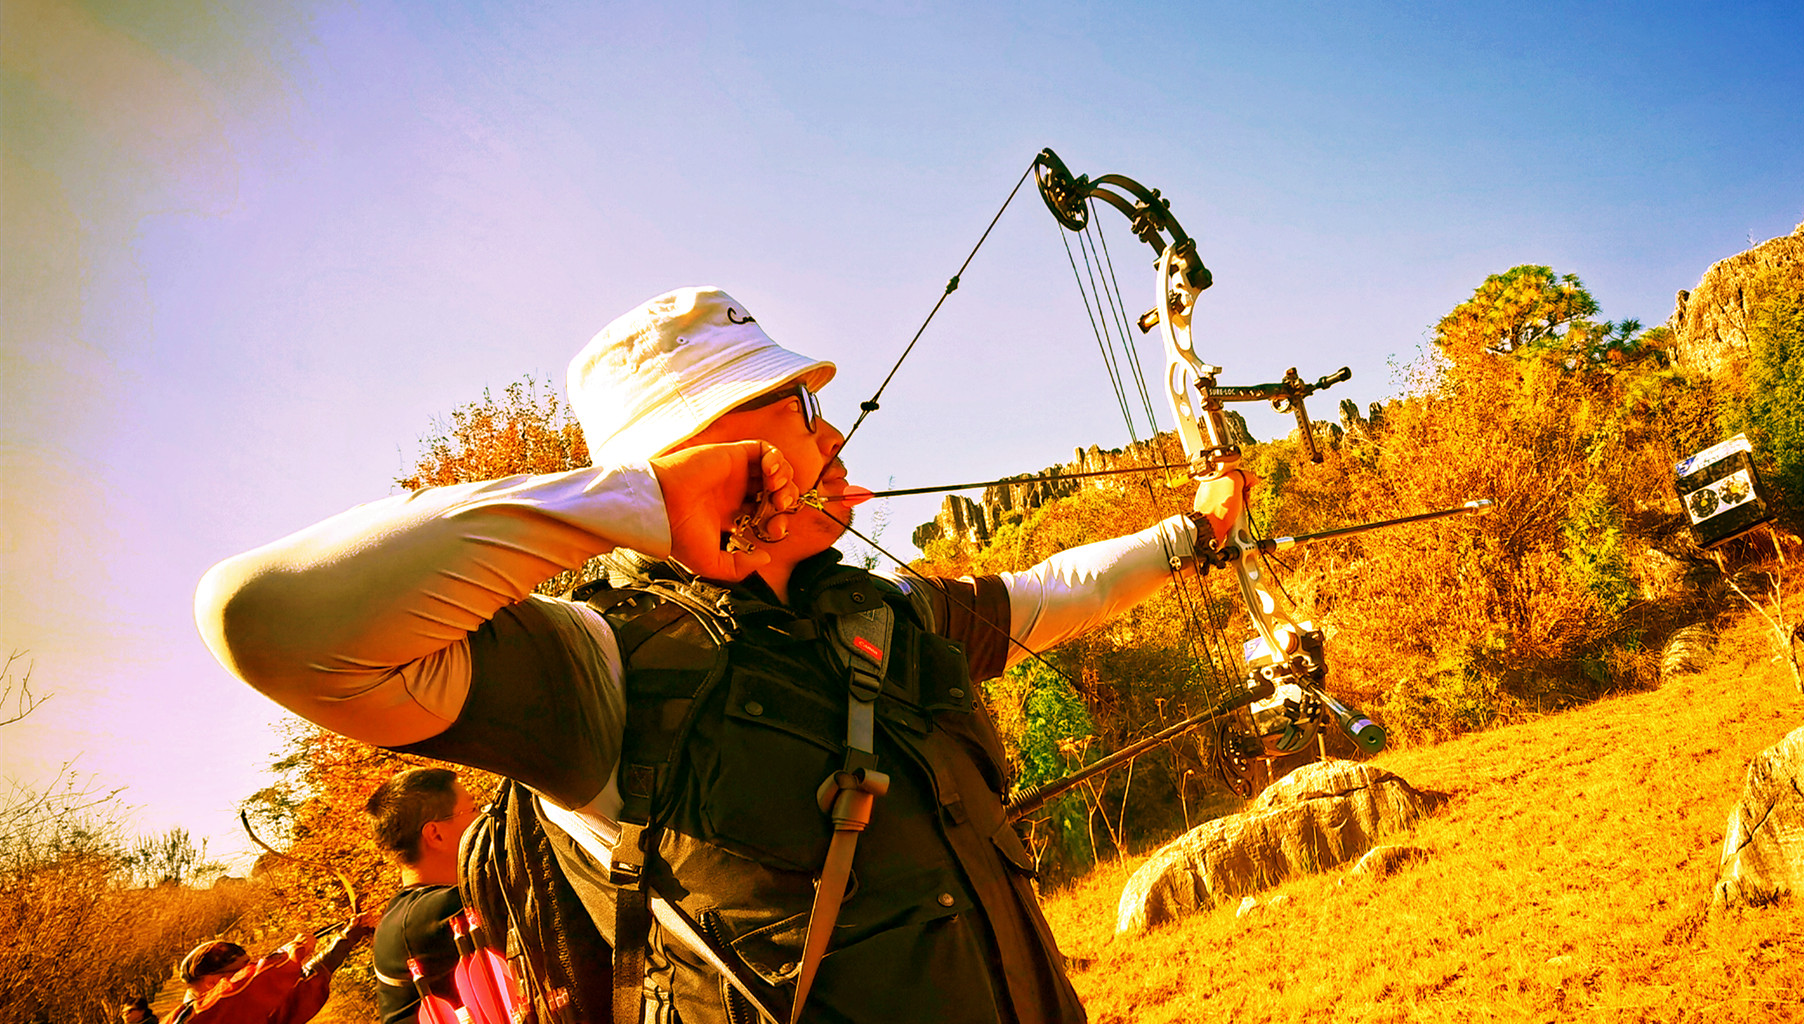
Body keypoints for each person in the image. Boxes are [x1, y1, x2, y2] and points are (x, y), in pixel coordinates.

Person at [196, 285, 1249, 1024]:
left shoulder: (885, 616)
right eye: (798, 406)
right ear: (711, 444)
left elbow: (1053, 594)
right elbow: (261, 620)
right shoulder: (597, 669)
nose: (831, 431)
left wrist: (1191, 533)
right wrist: (636, 503)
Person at [365, 768, 480, 1024]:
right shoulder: (434, 912)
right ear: (435, 834)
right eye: (473, 810)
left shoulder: (410, 910)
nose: (482, 819)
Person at [166, 913, 375, 1024]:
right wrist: (291, 951)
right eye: (242, 970)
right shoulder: (194, 1017)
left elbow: (299, 995)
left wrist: (346, 939)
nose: (250, 970)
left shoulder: (242, 1013)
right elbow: (247, 987)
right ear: (212, 982)